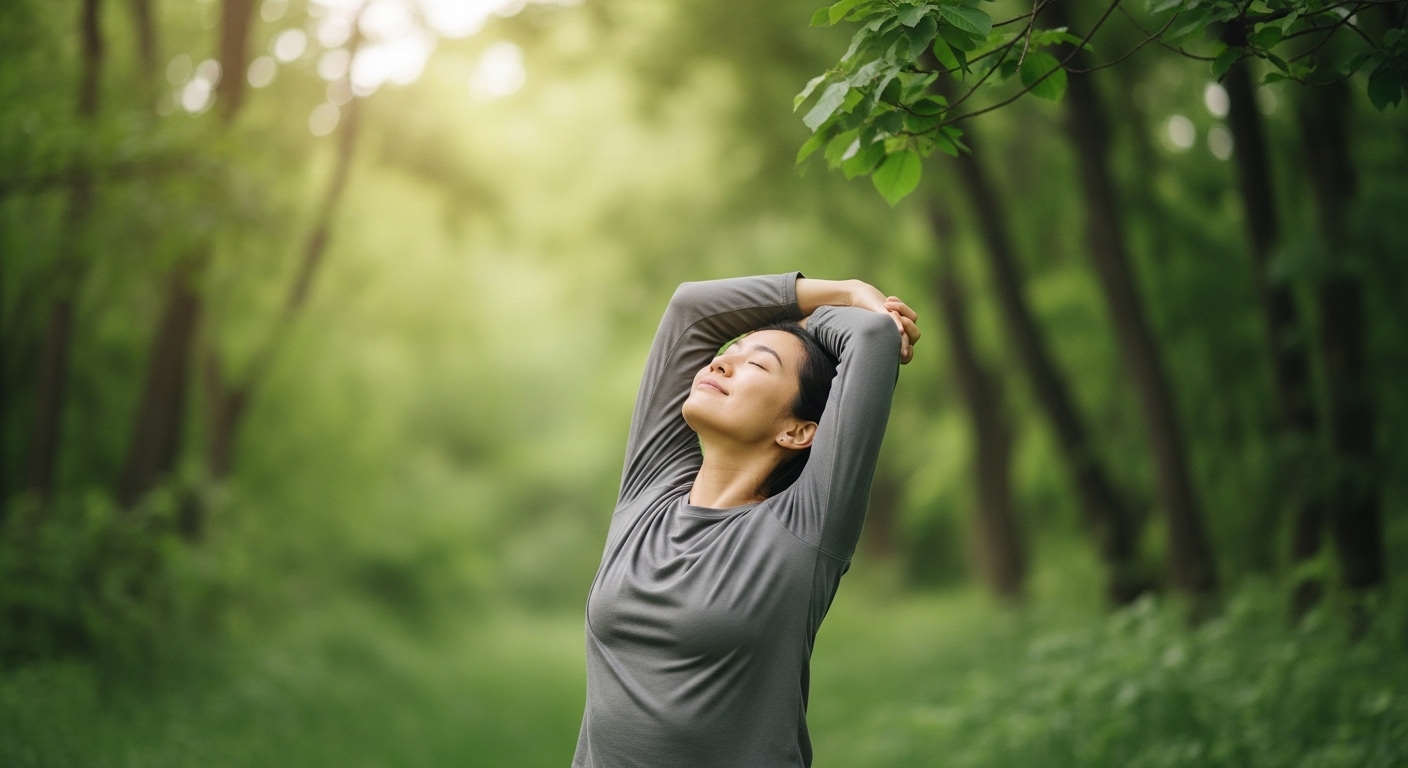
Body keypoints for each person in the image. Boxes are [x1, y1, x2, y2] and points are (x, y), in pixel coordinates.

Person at [572, 272, 921, 768]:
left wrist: (822, 321)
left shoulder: (804, 529)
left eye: (756, 363)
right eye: (729, 350)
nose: (721, 361)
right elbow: (692, 310)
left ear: (799, 432)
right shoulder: (646, 495)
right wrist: (843, 293)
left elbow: (870, 337)